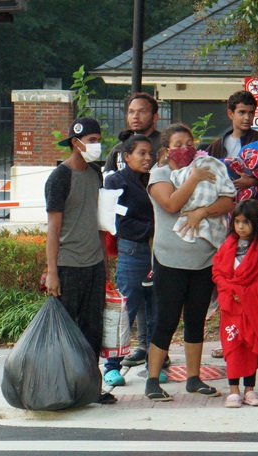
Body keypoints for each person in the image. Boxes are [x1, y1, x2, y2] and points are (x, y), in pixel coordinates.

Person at [144, 123, 235, 402]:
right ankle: (152, 381)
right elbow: (170, 204)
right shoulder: (159, 174)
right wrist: (193, 179)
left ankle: (193, 379)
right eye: (178, 144)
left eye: (189, 143)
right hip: (170, 259)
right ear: (166, 150)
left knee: (195, 319)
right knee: (166, 319)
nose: (185, 149)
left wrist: (202, 212)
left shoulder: (207, 165)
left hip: (204, 258)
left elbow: (228, 201)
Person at [44, 117, 116, 405]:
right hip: (68, 264)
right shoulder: (59, 178)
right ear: (75, 142)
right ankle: (61, 387)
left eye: (98, 139)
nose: (96, 145)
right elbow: (53, 227)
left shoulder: (95, 173)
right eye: (92, 140)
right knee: (66, 331)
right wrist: (52, 272)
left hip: (93, 264)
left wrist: (104, 262)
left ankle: (90, 388)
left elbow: (99, 220)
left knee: (92, 329)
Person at [208, 90, 258, 360]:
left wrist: (255, 182)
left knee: (256, 280)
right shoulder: (216, 146)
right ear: (230, 113)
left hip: (255, 220)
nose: (247, 118)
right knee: (229, 282)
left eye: (251, 113)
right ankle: (232, 337)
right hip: (226, 221)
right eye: (242, 113)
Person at [104, 92, 163, 368]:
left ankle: (155, 360)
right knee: (125, 307)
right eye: (142, 153)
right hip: (132, 249)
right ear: (126, 156)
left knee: (155, 308)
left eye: (150, 153)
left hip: (158, 251)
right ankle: (113, 365)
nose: (148, 157)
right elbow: (117, 220)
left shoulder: (153, 178)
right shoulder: (117, 181)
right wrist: (151, 227)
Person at [212, 199, 258, 408]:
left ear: (256, 223)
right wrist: (234, 291)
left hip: (251, 308)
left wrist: (245, 293)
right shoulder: (227, 246)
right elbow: (218, 273)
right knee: (233, 346)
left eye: (246, 222)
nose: (241, 226)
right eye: (237, 222)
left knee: (251, 345)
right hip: (232, 308)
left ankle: (249, 390)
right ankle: (233, 391)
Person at [104, 92, 162, 175]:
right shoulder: (118, 149)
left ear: (155, 117)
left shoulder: (165, 144)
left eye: (142, 112)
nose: (135, 116)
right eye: (131, 112)